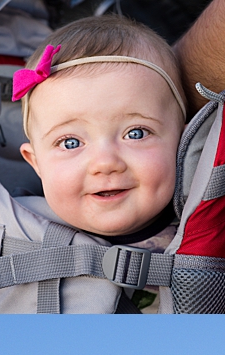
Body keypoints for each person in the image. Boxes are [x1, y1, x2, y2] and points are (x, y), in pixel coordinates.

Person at [14, 17, 185, 248]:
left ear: (185, 140)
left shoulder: (220, 217)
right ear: (36, 163)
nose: (105, 163)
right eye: (70, 143)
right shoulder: (19, 237)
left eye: (136, 133)